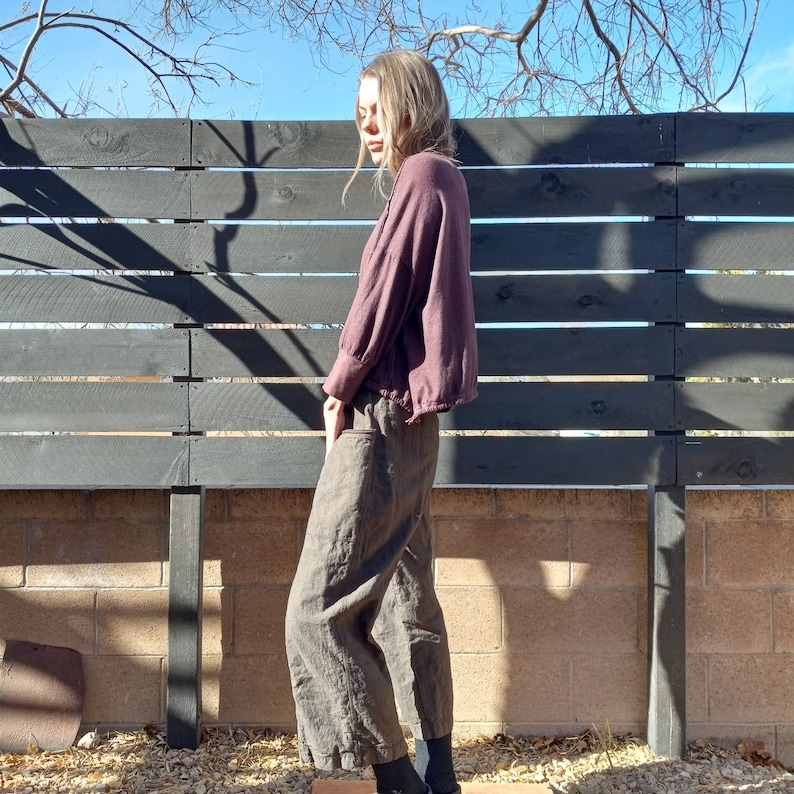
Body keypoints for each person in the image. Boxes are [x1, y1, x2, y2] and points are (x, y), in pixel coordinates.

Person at [284, 49, 478, 794]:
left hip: (382, 419)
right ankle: (439, 775)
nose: (366, 122)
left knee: (315, 613)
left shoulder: (422, 177)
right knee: (404, 599)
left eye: (378, 105)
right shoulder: (441, 181)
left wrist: (338, 387)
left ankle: (397, 781)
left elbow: (380, 304)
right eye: (358, 109)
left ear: (413, 102)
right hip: (413, 425)